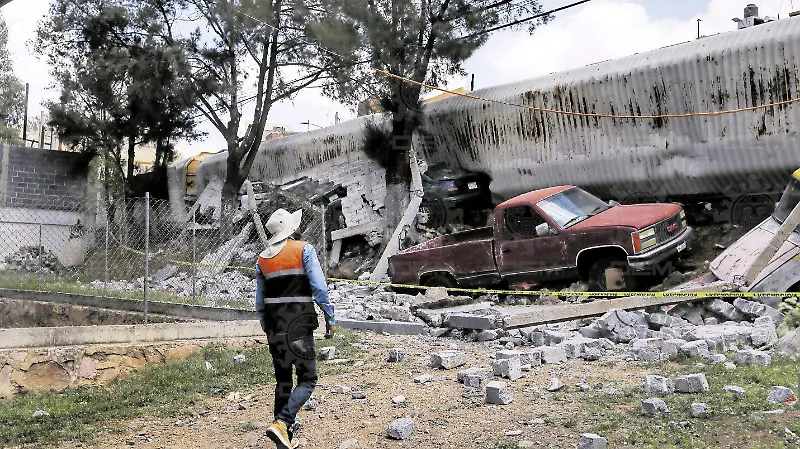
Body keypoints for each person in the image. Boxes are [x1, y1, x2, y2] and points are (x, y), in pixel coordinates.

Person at [256, 208, 335, 449]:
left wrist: (267, 326)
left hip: (274, 327)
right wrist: (330, 317)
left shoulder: (262, 259)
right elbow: (319, 288)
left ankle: (283, 440)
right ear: (291, 229)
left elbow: (260, 302)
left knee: (283, 382)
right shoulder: (303, 250)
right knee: (308, 379)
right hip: (299, 325)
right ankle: (282, 423)